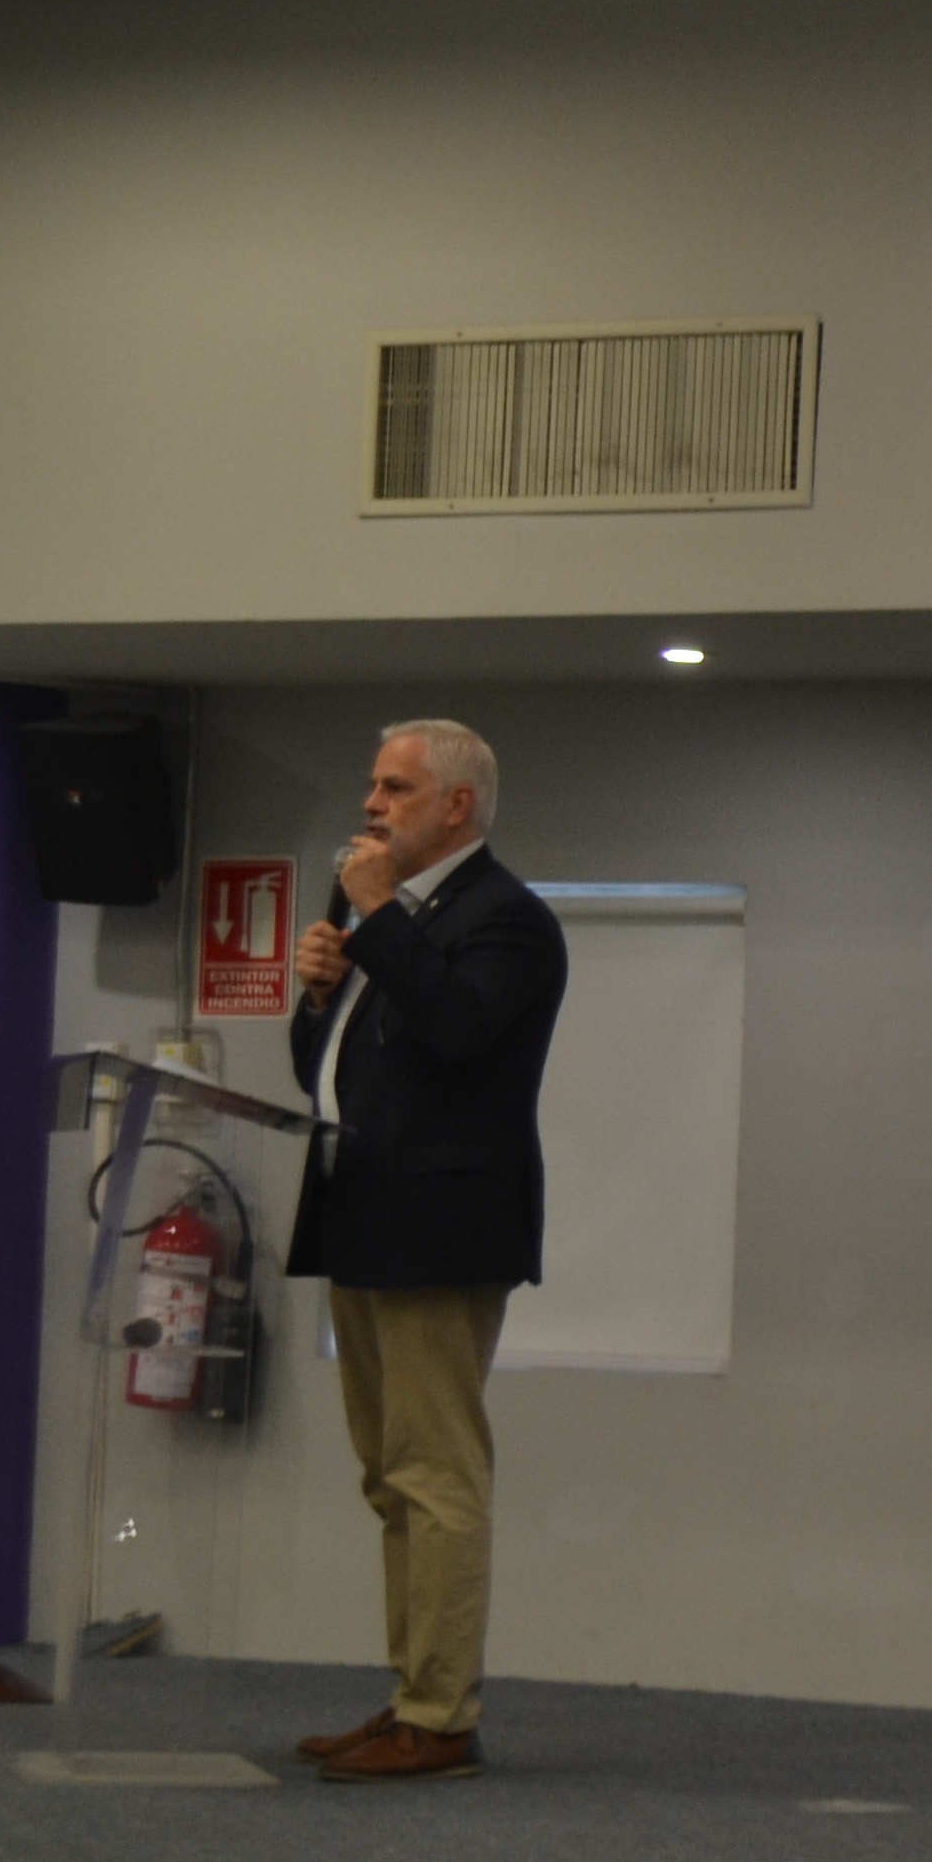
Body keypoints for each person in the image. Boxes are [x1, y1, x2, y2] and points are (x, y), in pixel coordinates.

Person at [284, 719, 567, 1784]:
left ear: (456, 807)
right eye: (371, 784)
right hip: (363, 1212)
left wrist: (367, 927)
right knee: (387, 1475)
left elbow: (456, 1031)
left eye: (395, 788)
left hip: (444, 1227)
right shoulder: (388, 919)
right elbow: (340, 1070)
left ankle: (441, 1713)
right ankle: (413, 1693)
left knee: (437, 1474)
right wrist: (320, 998)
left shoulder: (509, 920)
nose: (371, 804)